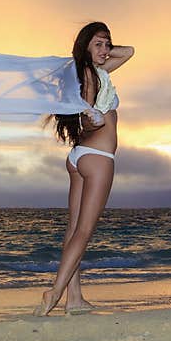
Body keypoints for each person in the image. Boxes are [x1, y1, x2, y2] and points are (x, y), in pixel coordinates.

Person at [34, 22, 134, 316]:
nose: (105, 50)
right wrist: (93, 120)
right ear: (86, 46)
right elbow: (87, 117)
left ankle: (74, 298)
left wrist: (94, 51)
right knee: (85, 231)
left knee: (74, 229)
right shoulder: (90, 76)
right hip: (98, 156)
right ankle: (54, 292)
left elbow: (129, 51)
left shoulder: (92, 71)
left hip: (78, 158)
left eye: (107, 44)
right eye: (99, 44)